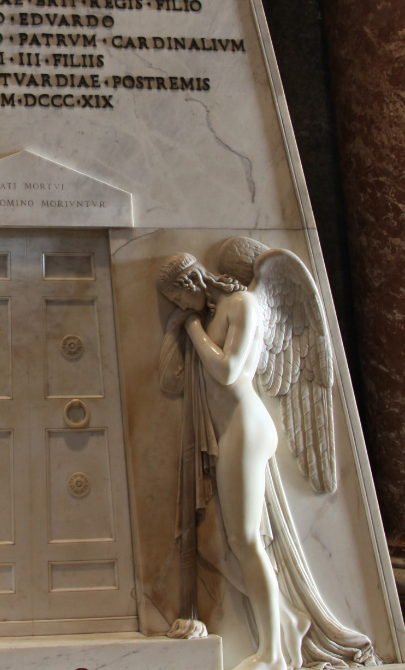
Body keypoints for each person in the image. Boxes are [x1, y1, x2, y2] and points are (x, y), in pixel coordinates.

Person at [158, 253, 285, 670]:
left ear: (191, 279)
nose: (177, 302)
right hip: (227, 432)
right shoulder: (212, 312)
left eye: (176, 293)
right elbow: (170, 381)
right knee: (236, 544)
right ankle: (286, 630)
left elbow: (228, 370)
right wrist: (179, 327)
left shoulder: (241, 305)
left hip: (245, 427)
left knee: (245, 541)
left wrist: (191, 326)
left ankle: (274, 655)